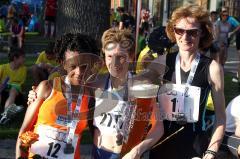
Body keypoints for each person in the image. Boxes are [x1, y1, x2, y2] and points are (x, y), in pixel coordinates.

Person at [150, 5, 226, 159]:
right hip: (161, 146)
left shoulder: (213, 68)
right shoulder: (160, 64)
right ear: (173, 31)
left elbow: (221, 118)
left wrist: (211, 153)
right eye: (180, 30)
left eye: (192, 32)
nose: (185, 37)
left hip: (195, 147)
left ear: (202, 33)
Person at [15, 33, 101, 159]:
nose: (79, 72)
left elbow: (97, 138)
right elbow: (23, 132)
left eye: (84, 66)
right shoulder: (46, 88)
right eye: (73, 66)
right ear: (63, 63)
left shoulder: (90, 98)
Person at [91, 28, 164, 159]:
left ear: (130, 56)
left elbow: (158, 128)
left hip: (128, 155)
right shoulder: (97, 84)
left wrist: (137, 151)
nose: (114, 63)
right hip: (99, 153)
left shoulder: (142, 87)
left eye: (120, 57)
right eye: (110, 56)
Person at [0, 47, 26, 124]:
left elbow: (20, 85)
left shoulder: (23, 69)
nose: (24, 59)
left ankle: (6, 114)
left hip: (16, 93)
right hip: (3, 90)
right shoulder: (2, 68)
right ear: (15, 58)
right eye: (22, 57)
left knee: (13, 90)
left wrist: (9, 85)